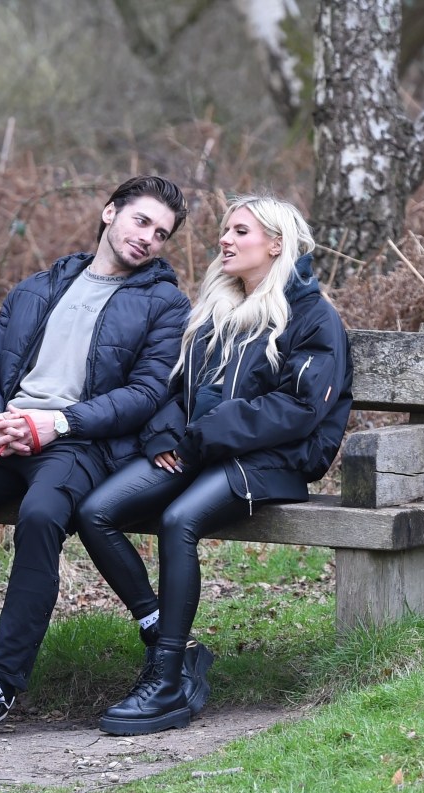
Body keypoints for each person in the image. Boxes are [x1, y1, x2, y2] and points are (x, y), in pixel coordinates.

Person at [0, 175, 206, 740]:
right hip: (0, 438)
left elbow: (147, 394)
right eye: (140, 221)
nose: (148, 238)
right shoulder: (38, 286)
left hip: (77, 445)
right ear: (109, 214)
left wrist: (57, 422)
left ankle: (1, 684)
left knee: (42, 515)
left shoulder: (166, 304)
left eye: (161, 233)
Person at [75, 193, 353, 736]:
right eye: (225, 230)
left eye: (241, 231)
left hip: (271, 461)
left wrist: (201, 438)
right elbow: (176, 390)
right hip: (201, 451)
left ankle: (166, 677)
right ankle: (168, 641)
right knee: (96, 511)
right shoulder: (216, 310)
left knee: (180, 522)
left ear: (277, 244)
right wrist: (162, 434)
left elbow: (297, 410)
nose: (225, 240)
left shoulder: (312, 316)